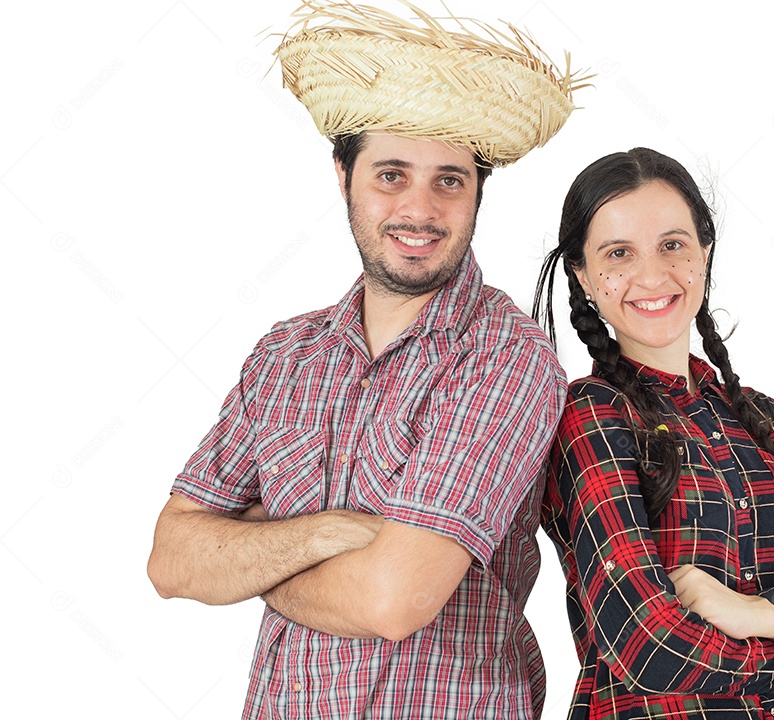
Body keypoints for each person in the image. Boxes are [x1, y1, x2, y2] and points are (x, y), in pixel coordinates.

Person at [147, 2, 586, 717]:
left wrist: (249, 555)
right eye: (390, 174)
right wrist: (330, 531)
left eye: (449, 180)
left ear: (478, 192)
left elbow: (392, 600)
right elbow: (171, 559)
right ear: (342, 174)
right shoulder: (285, 356)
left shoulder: (506, 358)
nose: (421, 209)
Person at [532, 147, 774, 719]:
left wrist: (758, 613)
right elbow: (646, 644)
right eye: (619, 253)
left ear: (704, 253)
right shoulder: (591, 416)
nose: (652, 275)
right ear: (583, 276)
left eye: (672, 245)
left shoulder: (761, 417)